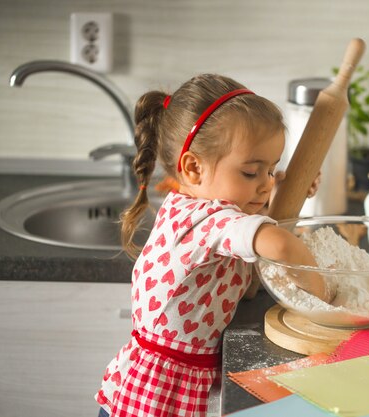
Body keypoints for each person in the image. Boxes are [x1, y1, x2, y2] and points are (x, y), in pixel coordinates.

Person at [95, 74, 333, 417]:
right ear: (194, 168)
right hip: (161, 394)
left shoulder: (188, 205)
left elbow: (246, 240)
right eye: (252, 172)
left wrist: (279, 191)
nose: (266, 184)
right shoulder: (208, 219)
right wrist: (323, 297)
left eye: (272, 169)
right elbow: (280, 245)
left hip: (160, 377)